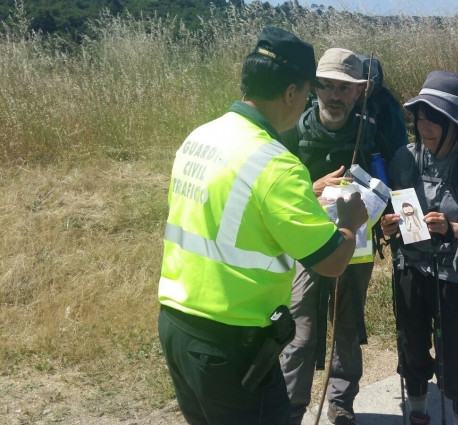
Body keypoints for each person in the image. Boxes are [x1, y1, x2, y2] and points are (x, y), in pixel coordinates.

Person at [157, 27, 368, 425]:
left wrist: (305, 192)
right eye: (309, 93)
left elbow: (233, 213)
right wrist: (351, 224)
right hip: (232, 343)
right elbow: (331, 263)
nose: (308, 102)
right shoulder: (275, 164)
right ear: (291, 92)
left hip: (176, 325)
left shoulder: (200, 137)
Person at [279, 47, 406, 425]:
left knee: (347, 327)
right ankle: (292, 408)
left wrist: (389, 221)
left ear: (360, 91)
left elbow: (391, 189)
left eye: (344, 88)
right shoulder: (293, 134)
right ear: (314, 87)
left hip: (358, 250)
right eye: (326, 86)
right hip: (305, 247)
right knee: (300, 331)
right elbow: (273, 192)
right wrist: (312, 188)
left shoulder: (373, 134)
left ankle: (341, 403)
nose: (334, 95)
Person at [380, 71, 458, 425]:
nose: (425, 126)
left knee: (456, 362)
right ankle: (418, 415)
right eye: (420, 117)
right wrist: (389, 226)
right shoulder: (405, 159)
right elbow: (400, 213)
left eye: (435, 118)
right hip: (412, 269)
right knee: (412, 350)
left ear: (455, 123)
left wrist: (452, 228)